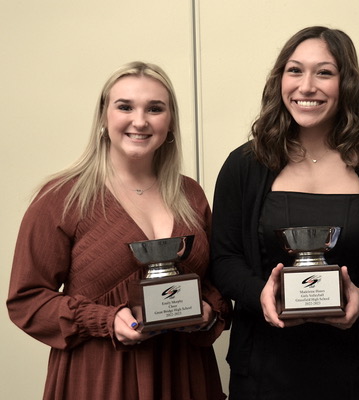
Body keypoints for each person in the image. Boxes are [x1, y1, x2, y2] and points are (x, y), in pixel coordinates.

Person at [210, 26, 359, 400]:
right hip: (262, 365)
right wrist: (261, 297)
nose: (306, 86)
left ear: (347, 83)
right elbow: (224, 258)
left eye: (324, 72)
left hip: (352, 365)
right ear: (280, 80)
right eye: (294, 70)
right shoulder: (244, 165)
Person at [7, 61, 231, 400]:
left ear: (170, 123)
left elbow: (217, 284)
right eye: (125, 106)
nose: (139, 121)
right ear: (103, 117)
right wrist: (106, 320)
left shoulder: (191, 195)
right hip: (100, 378)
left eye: (155, 109)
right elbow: (26, 301)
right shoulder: (63, 197)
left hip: (184, 373)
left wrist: (208, 312)